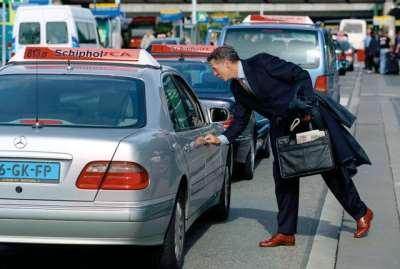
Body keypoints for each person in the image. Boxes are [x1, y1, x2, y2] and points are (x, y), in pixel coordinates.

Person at [202, 46, 373, 247]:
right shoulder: (236, 87)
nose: (215, 73)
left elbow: (300, 75)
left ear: (226, 62)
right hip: (281, 128)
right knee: (284, 177)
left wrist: (306, 107)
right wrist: (221, 139)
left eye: (215, 68)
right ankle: (286, 232)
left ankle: (362, 213)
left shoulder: (261, 62)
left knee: (330, 168)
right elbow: (240, 120)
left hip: (305, 118)